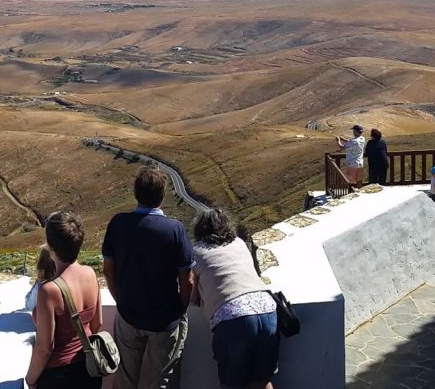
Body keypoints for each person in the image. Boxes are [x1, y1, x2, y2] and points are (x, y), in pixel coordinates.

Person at [102, 167, 194, 389]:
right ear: (162, 196)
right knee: (159, 382)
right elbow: (187, 280)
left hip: (128, 315)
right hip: (164, 320)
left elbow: (108, 270)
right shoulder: (175, 230)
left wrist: (120, 299)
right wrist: (180, 308)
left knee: (125, 379)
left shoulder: (118, 224)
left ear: (136, 193)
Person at [191, 208, 279, 389]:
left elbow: (193, 295)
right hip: (267, 309)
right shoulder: (239, 243)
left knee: (232, 384)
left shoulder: (197, 252)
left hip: (233, 317)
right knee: (263, 380)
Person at [25, 212, 103, 389]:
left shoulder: (50, 291)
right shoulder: (91, 274)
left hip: (58, 376)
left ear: (50, 246)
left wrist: (30, 379)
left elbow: (45, 348)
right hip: (89, 370)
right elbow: (97, 323)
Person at [25, 244, 57, 313]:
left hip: (46, 321)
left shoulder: (41, 287)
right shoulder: (66, 279)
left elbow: (29, 306)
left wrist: (35, 285)